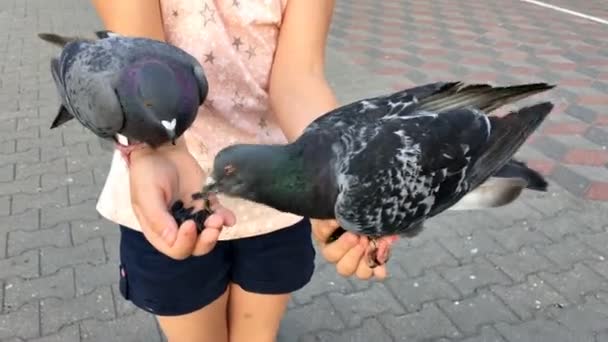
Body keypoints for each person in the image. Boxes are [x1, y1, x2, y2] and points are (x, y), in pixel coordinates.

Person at [91, 1, 389, 341]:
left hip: (277, 199)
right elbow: (143, 64)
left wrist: (334, 175)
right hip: (170, 197)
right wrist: (157, 147)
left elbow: (298, 77)